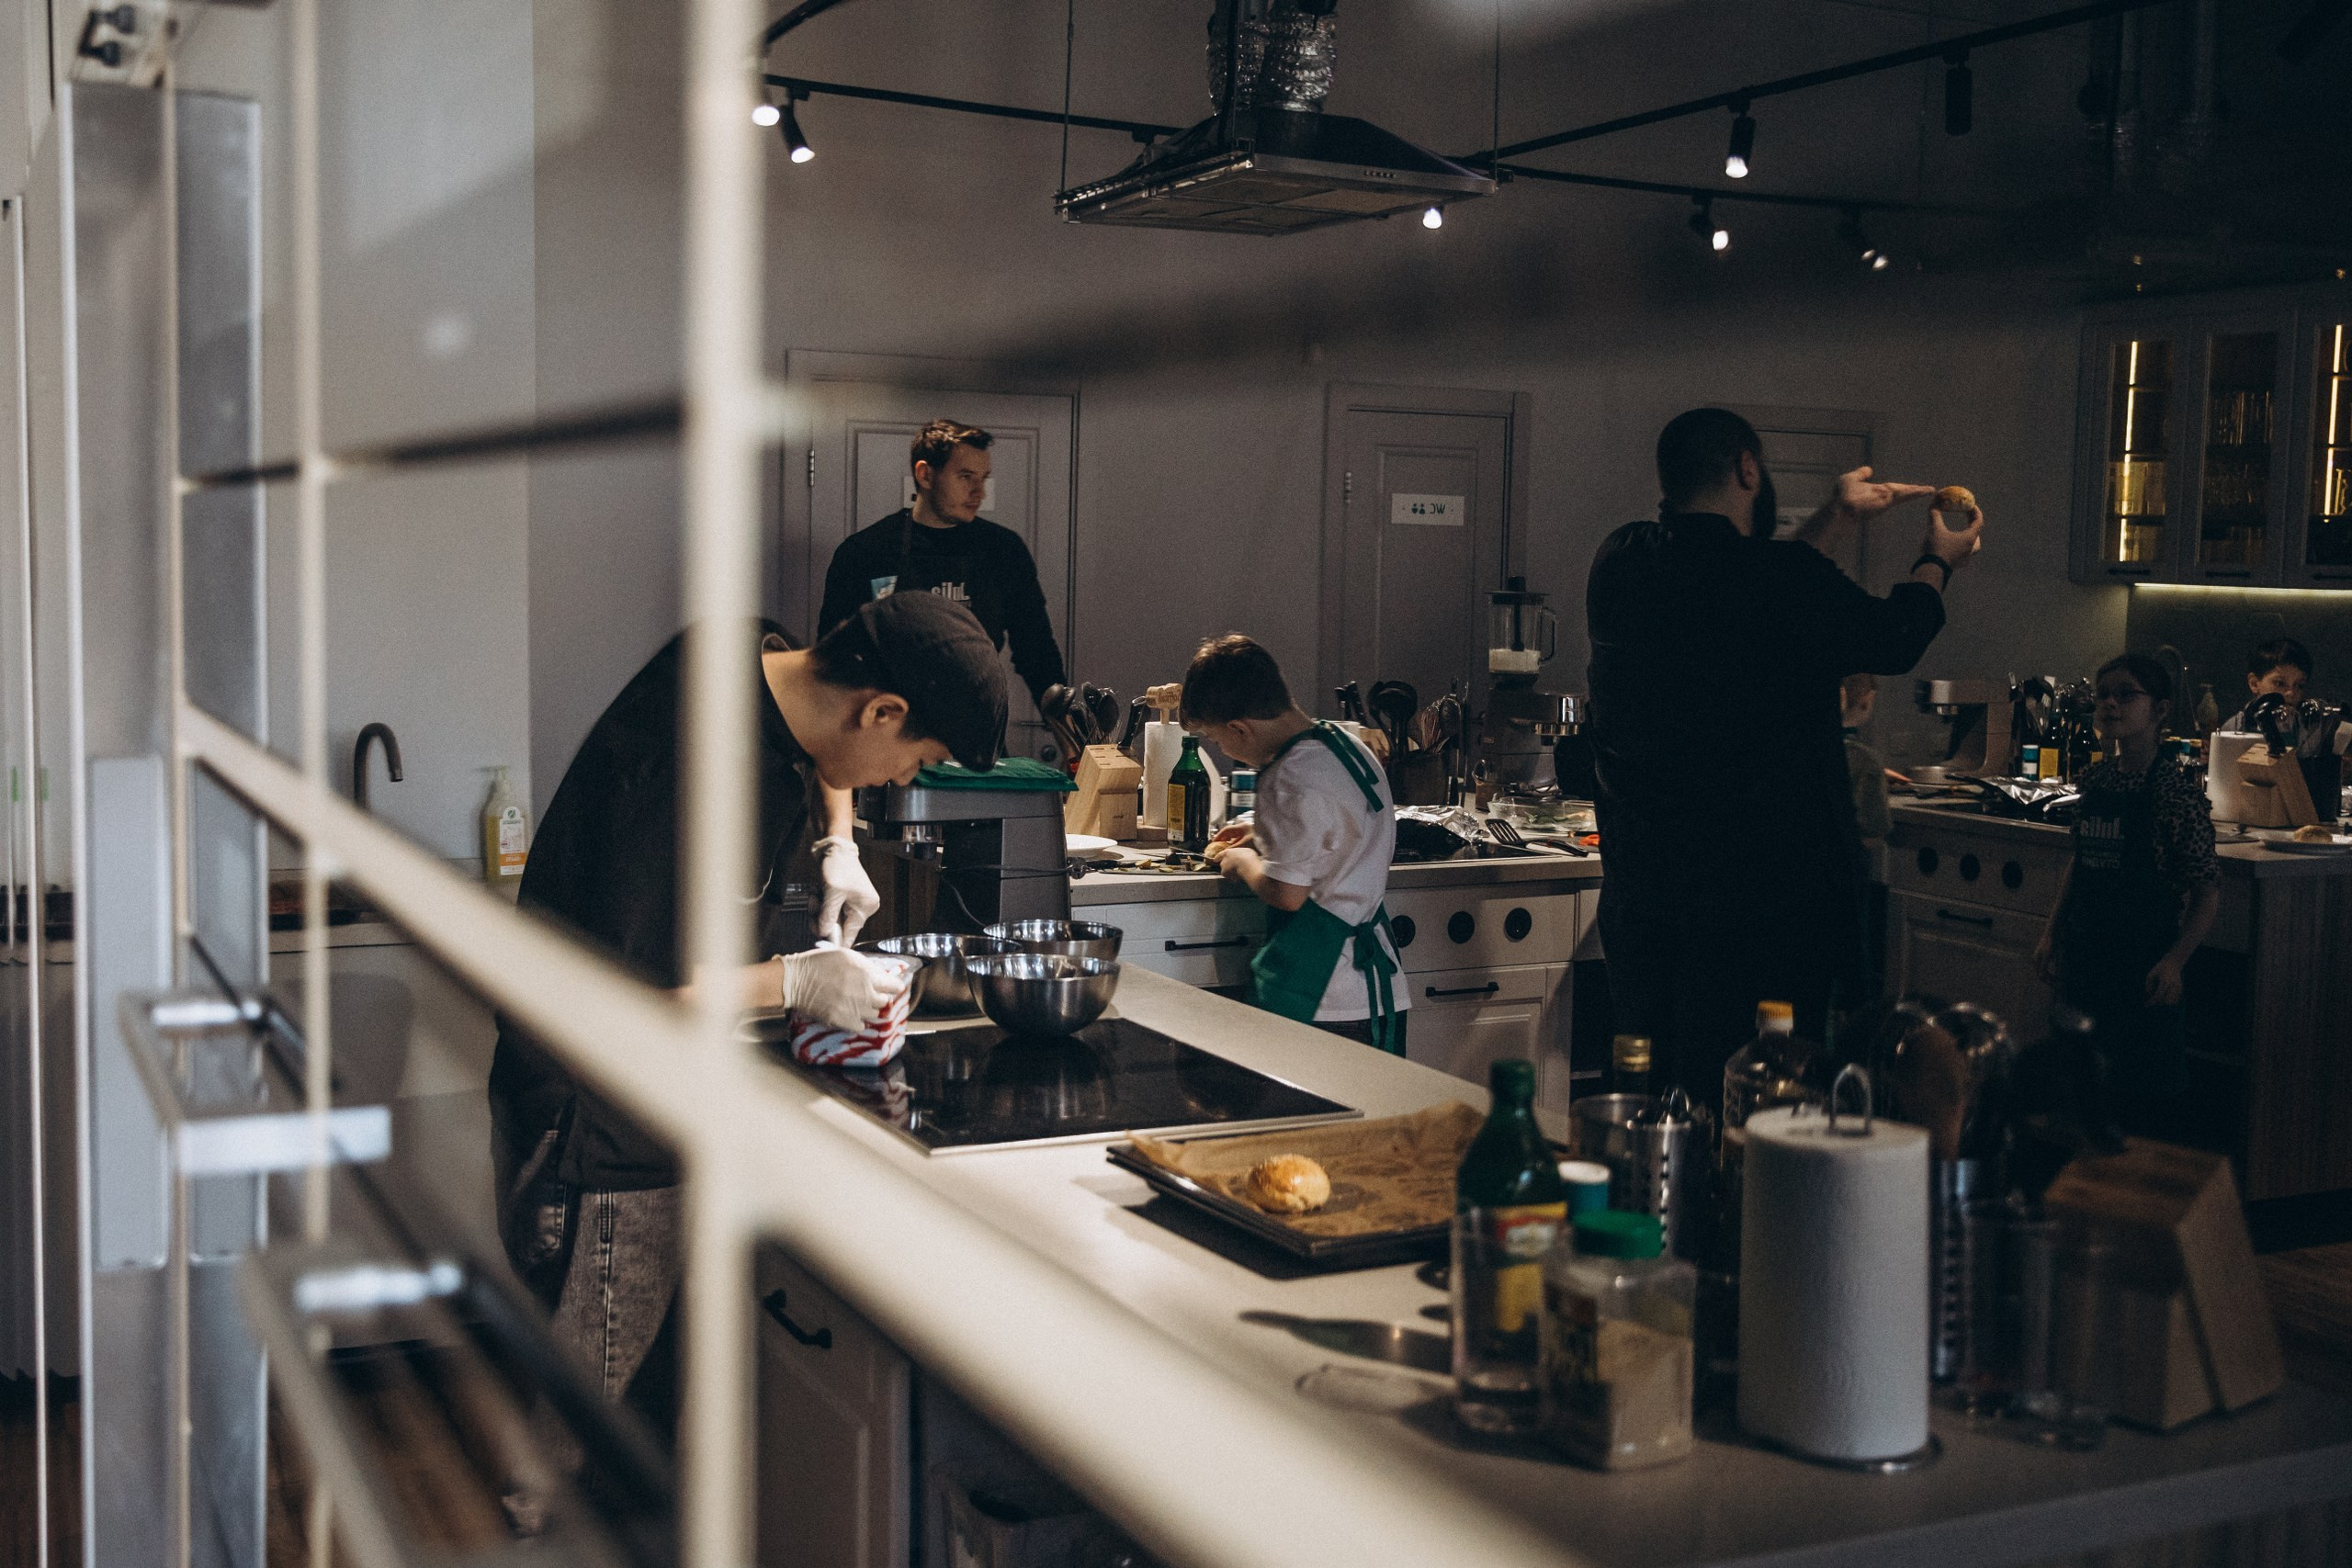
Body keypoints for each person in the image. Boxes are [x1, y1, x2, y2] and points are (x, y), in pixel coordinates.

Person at [488, 593, 1006, 1476]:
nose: (895, 780)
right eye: (913, 757)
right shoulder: (686, 773)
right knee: (586, 1463)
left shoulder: (752, 653)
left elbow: (827, 736)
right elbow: (615, 1011)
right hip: (597, 1149)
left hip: (651, 1123)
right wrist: (794, 981)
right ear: (881, 710)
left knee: (644, 1445)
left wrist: (837, 839)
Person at [1586, 407, 1984, 1107]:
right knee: (1760, 1093)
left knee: (1654, 1086)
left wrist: (1835, 516)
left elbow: (1744, 588)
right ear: (1747, 468)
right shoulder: (1783, 580)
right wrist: (1937, 561)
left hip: (1646, 895)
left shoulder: (1620, 563)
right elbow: (1892, 635)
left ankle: (1652, 1200)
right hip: (1764, 909)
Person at [1186, 634, 1408, 1054]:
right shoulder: (1342, 744)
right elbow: (1341, 831)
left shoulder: (1285, 777)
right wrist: (1262, 834)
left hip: (1323, 994)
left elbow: (1287, 894)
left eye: (1217, 740)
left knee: (1312, 1116)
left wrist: (1243, 860)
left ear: (1240, 728)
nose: (1222, 749)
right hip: (1380, 987)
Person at [2033, 654, 2219, 1134]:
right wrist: (2051, 933)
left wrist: (2176, 960)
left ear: (2159, 711)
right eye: (2105, 694)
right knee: (2078, 1091)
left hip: (2142, 967)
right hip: (2086, 956)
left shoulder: (2176, 796)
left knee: (2138, 1105)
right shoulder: (2096, 781)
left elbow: (2206, 891)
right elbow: (2079, 862)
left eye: (2126, 694)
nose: (2111, 704)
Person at [818, 419, 1068, 707]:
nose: (979, 492)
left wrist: (1069, 732)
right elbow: (831, 658)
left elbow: (1037, 652)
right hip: (888, 730)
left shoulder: (1003, 551)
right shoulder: (866, 552)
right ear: (925, 475)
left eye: (982, 478)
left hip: (974, 730)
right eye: (965, 477)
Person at [2222, 637, 2352, 775]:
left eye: (2299, 685)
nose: (2291, 693)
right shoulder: (2235, 727)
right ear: (2254, 683)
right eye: (2280, 683)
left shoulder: (2307, 727)